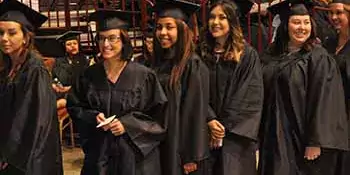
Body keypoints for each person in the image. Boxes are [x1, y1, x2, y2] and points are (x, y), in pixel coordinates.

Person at [66, 9, 167, 175]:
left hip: (134, 159)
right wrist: (93, 117)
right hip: (99, 157)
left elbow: (159, 116)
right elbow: (75, 107)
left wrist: (127, 125)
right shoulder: (89, 75)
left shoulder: (144, 75)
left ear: (124, 40)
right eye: (101, 38)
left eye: (112, 38)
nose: (106, 44)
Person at [258, 1, 348, 175]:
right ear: (285, 26)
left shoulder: (318, 57)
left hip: (301, 138)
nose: (302, 27)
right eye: (296, 22)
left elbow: (325, 99)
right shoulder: (271, 55)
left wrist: (316, 141)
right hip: (274, 135)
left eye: (306, 22)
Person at [198, 0, 263, 175]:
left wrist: (221, 130)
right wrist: (209, 119)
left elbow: (248, 97)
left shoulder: (247, 55)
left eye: (222, 17)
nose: (215, 22)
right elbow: (193, 92)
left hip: (235, 139)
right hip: (202, 131)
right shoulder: (200, 52)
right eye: (212, 17)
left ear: (232, 22)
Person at [0, 0, 63, 174]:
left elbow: (33, 118)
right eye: (0, 32)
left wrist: (9, 153)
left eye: (12, 33)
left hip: (29, 154)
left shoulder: (35, 68)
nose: (4, 38)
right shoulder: (6, 67)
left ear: (26, 37)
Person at [152, 0, 210, 174]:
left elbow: (196, 112)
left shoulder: (193, 64)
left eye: (169, 27)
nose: (162, 33)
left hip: (179, 148)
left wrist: (191, 156)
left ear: (182, 29)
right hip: (158, 142)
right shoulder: (156, 64)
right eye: (159, 27)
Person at [328, 1, 350, 174]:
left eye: (339, 13)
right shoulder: (329, 41)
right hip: (331, 113)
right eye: (331, 13)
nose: (334, 17)